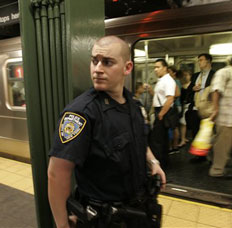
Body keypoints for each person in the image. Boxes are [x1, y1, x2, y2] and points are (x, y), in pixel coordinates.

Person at [47, 35, 166, 228]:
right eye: (95, 61)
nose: (97, 69)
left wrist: (153, 162)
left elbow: (138, 140)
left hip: (139, 212)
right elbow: (57, 174)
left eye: (107, 62)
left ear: (127, 68)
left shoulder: (133, 105)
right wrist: (62, 225)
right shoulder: (81, 114)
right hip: (104, 219)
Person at [208, 56, 232, 177]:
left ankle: (213, 159)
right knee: (223, 144)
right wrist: (215, 109)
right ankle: (217, 170)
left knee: (219, 141)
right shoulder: (224, 72)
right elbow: (216, 90)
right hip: (225, 116)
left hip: (231, 116)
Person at [149, 59, 176, 168]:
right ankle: (163, 162)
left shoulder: (168, 81)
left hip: (162, 111)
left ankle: (158, 163)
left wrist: (161, 114)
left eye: (158, 67)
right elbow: (158, 96)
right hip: (159, 109)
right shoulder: (161, 80)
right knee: (162, 138)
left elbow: (170, 99)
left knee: (157, 140)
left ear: (165, 68)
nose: (155, 70)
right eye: (154, 67)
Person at [185, 53, 215, 138]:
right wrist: (193, 88)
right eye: (198, 61)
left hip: (207, 109)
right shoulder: (195, 76)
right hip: (195, 108)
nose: (199, 62)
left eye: (201, 60)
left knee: (207, 134)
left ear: (208, 61)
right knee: (195, 133)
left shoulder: (214, 75)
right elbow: (189, 89)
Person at [168, 66, 182, 152]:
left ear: (174, 73)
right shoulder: (174, 81)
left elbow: (177, 94)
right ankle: (174, 146)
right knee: (174, 126)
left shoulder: (175, 81)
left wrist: (169, 98)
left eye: (169, 71)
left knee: (174, 127)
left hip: (175, 105)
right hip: (175, 106)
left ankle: (174, 146)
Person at [178, 70, 192, 147]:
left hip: (191, 105)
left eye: (187, 75)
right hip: (184, 105)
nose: (186, 77)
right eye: (185, 75)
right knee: (183, 123)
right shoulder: (182, 85)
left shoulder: (192, 85)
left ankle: (184, 138)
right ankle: (183, 138)